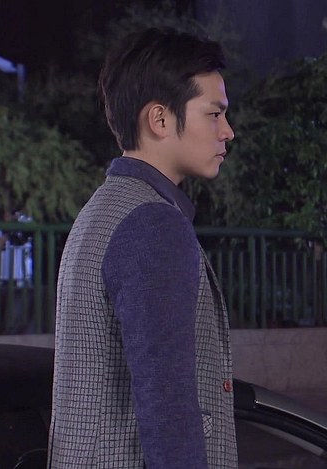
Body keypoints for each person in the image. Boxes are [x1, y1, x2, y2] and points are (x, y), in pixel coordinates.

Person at [48, 27, 237, 469]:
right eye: (214, 114)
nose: (227, 131)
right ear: (160, 120)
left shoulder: (101, 210)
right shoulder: (153, 224)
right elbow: (169, 410)